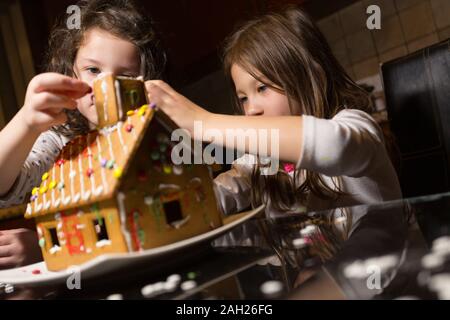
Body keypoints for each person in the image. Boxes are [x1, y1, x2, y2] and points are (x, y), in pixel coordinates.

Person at [145, 7, 402, 234]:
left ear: (312, 79)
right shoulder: (259, 163)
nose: (251, 109)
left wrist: (203, 122)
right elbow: (212, 199)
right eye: (243, 98)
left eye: (263, 88)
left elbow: (333, 146)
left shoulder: (357, 126)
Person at [0, 0, 166, 268]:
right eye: (93, 70)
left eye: (124, 75)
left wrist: (49, 247)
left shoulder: (159, 132)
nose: (107, 87)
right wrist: (26, 123)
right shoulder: (61, 143)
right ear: (70, 71)